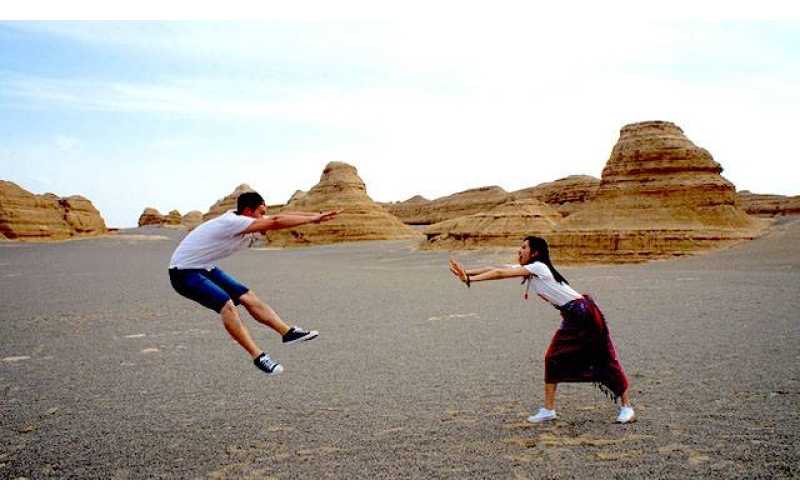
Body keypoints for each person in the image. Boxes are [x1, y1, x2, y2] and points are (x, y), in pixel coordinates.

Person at [448, 236, 635, 424]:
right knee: (553, 358)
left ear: (535, 252)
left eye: (523, 247)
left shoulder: (539, 267)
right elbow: (495, 269)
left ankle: (627, 408)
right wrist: (466, 273)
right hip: (571, 316)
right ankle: (548, 409)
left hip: (585, 315)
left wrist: (469, 281)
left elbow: (499, 273)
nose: (519, 251)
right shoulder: (530, 270)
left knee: (605, 357)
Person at [168, 191, 340, 375]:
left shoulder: (243, 218)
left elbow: (276, 216)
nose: (263, 216)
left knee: (248, 297)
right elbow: (275, 222)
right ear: (248, 211)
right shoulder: (233, 222)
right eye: (260, 212)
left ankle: (288, 333)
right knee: (227, 305)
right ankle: (258, 356)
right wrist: (311, 220)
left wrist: (316, 216)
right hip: (183, 273)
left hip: (204, 267)